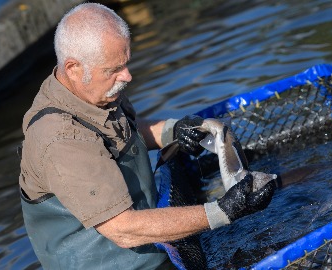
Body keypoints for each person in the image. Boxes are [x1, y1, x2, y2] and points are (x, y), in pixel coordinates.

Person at [18, 3, 274, 269]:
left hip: (154, 243)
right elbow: (123, 229)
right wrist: (224, 211)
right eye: (114, 70)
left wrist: (173, 131)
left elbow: (123, 130)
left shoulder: (93, 87)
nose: (127, 76)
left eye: (125, 63)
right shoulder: (60, 140)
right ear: (73, 68)